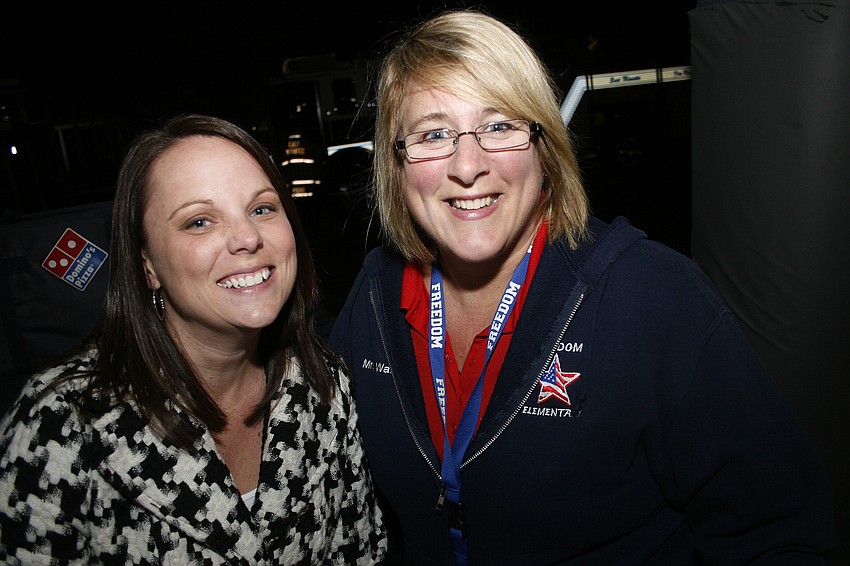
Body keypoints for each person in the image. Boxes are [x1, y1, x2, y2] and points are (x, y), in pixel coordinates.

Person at [329, 9, 837, 565]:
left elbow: (780, 534)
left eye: (499, 126)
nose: (467, 165)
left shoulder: (654, 298)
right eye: (433, 134)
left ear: (544, 147)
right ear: (396, 165)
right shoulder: (375, 298)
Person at [0, 114, 387, 564]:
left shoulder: (325, 388)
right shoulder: (59, 428)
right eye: (199, 221)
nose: (247, 237)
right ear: (147, 265)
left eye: (262, 208)